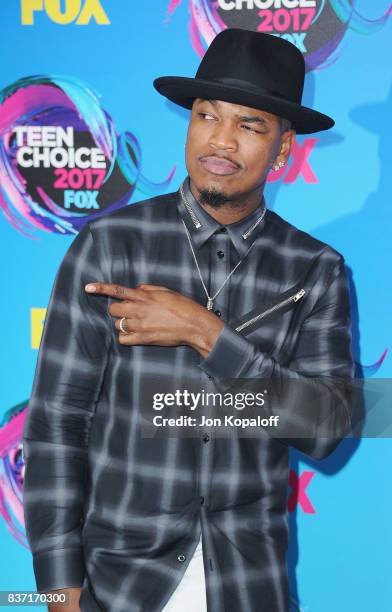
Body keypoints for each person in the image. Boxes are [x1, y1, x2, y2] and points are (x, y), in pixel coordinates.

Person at [22, 28, 355, 612]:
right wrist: (56, 589)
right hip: (118, 586)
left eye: (249, 125)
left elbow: (329, 426)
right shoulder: (111, 246)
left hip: (248, 587)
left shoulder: (315, 270)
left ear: (282, 149)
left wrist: (207, 335)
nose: (220, 141)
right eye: (206, 116)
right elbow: (55, 427)